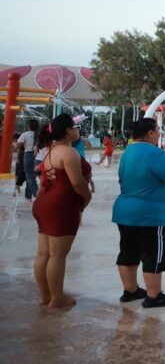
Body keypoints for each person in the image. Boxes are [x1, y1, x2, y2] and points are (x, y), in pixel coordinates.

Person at [112, 118, 165, 308]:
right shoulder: (153, 152)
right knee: (154, 253)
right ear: (150, 133)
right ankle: (153, 296)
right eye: (158, 130)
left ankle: (131, 291)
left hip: (126, 212)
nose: (159, 133)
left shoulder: (128, 152)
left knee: (129, 250)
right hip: (150, 215)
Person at [32, 113, 93, 309]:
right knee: (58, 255)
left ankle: (45, 295)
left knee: (43, 254)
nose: (77, 131)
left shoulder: (50, 150)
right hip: (60, 205)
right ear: (68, 131)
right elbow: (76, 182)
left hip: (43, 202)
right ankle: (57, 297)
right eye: (75, 128)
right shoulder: (68, 153)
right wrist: (87, 197)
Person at [17, 119, 40, 201]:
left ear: (28, 126)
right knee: (32, 175)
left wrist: (19, 147)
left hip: (28, 154)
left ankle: (37, 194)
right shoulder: (38, 134)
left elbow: (18, 144)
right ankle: (28, 195)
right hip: (38, 155)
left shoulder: (25, 134)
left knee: (29, 175)